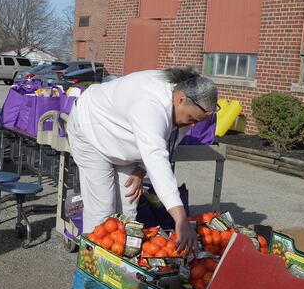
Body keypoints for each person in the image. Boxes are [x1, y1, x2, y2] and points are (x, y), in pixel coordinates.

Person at [66, 67, 218, 254]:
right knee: (102, 209)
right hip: (91, 129)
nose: (192, 125)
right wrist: (180, 218)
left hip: (123, 138)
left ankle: (123, 264)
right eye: (191, 119)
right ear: (180, 99)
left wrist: (140, 169)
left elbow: (165, 144)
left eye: (197, 122)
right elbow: (156, 157)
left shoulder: (184, 106)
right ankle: (92, 265)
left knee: (129, 208)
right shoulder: (151, 104)